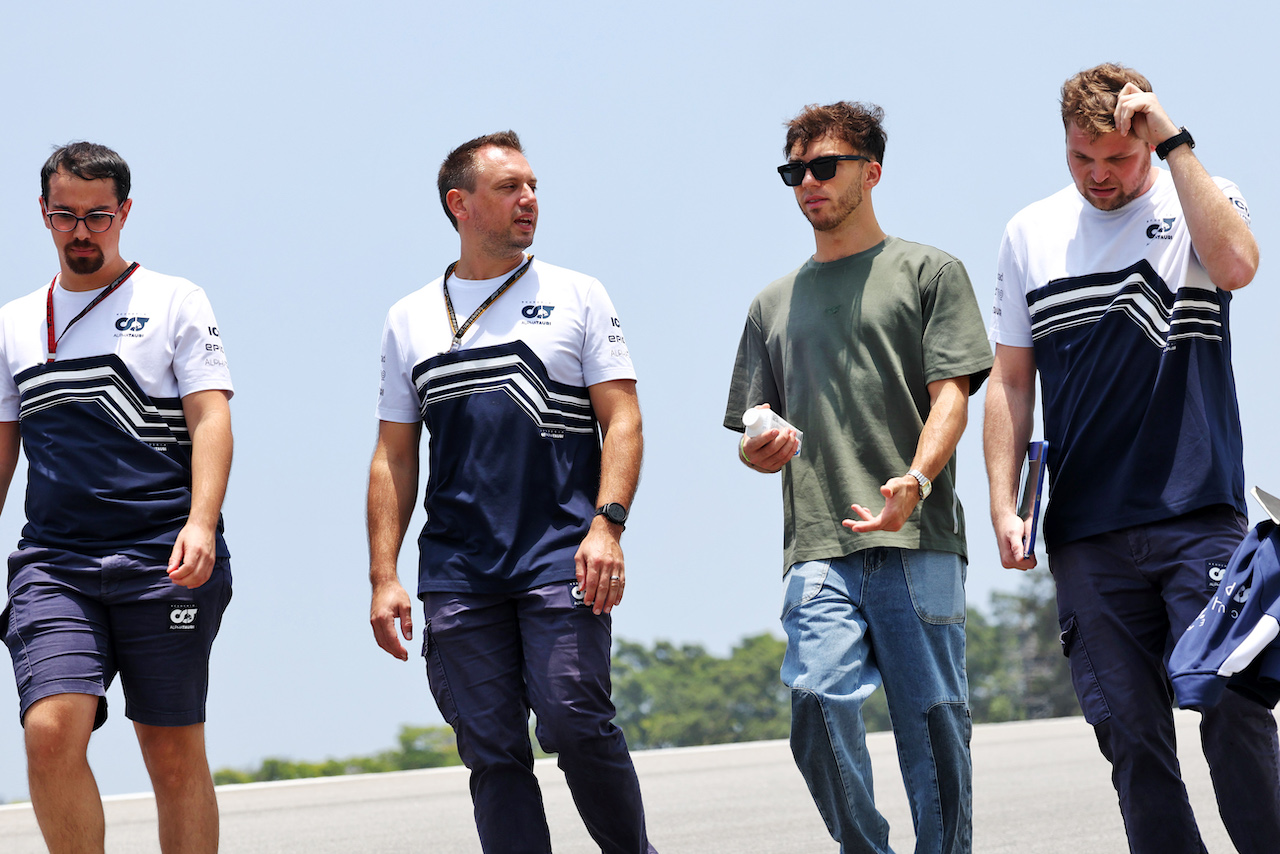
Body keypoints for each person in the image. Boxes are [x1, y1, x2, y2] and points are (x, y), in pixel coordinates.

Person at [984, 62, 1280, 854]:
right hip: (1086, 532)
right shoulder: (1029, 233)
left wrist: (1176, 145)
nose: (1099, 177)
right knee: (1131, 739)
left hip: (1199, 515)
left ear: (1147, 137)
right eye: (1082, 158)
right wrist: (1005, 505)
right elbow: (1011, 383)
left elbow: (1239, 267)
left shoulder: (1202, 200)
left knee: (1232, 703)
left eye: (1117, 158)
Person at [366, 131, 655, 854]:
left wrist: (607, 525)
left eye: (532, 186)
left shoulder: (576, 294)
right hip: (459, 571)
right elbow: (394, 458)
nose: (528, 200)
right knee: (491, 750)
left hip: (562, 553)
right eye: (509, 188)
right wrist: (384, 576)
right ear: (459, 204)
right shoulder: (408, 318)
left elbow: (623, 419)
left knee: (572, 719)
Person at [725, 102, 993, 854]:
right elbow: (752, 431)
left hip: (918, 537)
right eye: (794, 172)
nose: (807, 183)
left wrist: (916, 475)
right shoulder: (770, 305)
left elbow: (952, 396)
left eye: (824, 167)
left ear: (870, 171)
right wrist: (759, 452)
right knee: (814, 700)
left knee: (936, 725)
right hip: (817, 544)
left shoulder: (929, 272)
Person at [0, 142, 234, 853]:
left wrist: (200, 522)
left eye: (98, 216)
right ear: (43, 213)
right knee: (49, 728)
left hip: (164, 557)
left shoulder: (173, 300)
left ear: (124, 212)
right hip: (56, 561)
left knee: (169, 748)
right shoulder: (14, 323)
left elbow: (211, 417)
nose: (81, 231)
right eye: (66, 215)